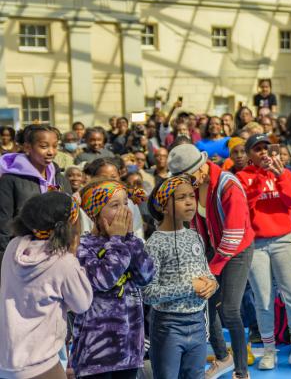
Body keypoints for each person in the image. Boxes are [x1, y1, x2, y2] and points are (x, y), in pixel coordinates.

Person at [167, 144, 254, 379]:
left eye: (185, 178)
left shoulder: (228, 185)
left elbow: (234, 235)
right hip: (213, 248)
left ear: (200, 170)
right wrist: (199, 258)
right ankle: (223, 357)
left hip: (237, 250)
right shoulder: (193, 187)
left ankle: (241, 371)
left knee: (230, 309)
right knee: (204, 301)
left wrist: (211, 271)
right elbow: (196, 223)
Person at [235, 134, 291, 371]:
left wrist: (280, 175)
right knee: (263, 299)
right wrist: (261, 178)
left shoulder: (284, 172)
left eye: (266, 148)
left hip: (283, 239)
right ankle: (269, 351)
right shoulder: (242, 177)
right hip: (257, 244)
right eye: (257, 149)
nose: (263, 152)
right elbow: (245, 207)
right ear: (249, 154)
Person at [0, 192, 93, 379]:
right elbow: (82, 303)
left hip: (7, 361)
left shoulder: (14, 247)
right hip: (41, 365)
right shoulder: (63, 262)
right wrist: (73, 254)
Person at [71, 180, 155, 379]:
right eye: (115, 205)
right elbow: (102, 280)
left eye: (126, 203)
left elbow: (146, 276)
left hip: (129, 349)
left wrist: (129, 240)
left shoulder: (131, 242)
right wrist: (116, 241)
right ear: (96, 213)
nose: (124, 210)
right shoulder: (83, 246)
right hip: (97, 353)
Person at [143, 176, 218, 379]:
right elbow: (148, 293)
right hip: (168, 325)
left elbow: (206, 273)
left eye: (191, 196)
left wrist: (212, 284)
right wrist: (189, 287)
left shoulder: (195, 236)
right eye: (181, 198)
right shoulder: (154, 244)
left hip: (197, 323)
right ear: (163, 207)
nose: (189, 202)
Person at [0, 125, 70, 262]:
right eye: (44, 146)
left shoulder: (59, 178)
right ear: (27, 147)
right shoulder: (10, 180)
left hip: (57, 252)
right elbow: (3, 223)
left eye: (55, 146)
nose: (51, 152)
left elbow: (70, 216)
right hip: (21, 254)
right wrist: (6, 258)